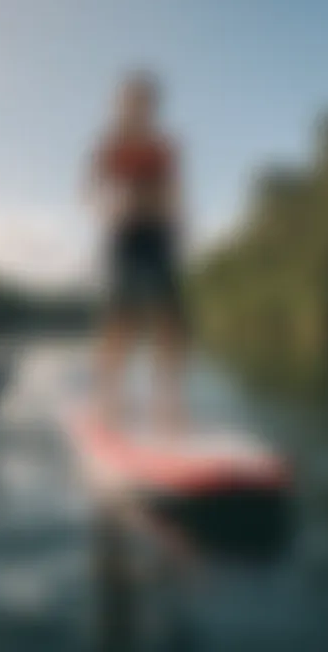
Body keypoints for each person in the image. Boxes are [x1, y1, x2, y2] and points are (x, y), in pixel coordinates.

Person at [85, 71, 187, 434]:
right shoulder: (110, 146)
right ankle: (109, 402)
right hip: (124, 236)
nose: (138, 108)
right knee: (121, 322)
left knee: (168, 322)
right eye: (131, 101)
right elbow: (90, 192)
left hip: (159, 237)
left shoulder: (164, 147)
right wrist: (109, 207)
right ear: (121, 105)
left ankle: (168, 406)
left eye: (145, 101)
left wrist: (176, 220)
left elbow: (175, 192)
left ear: (152, 106)